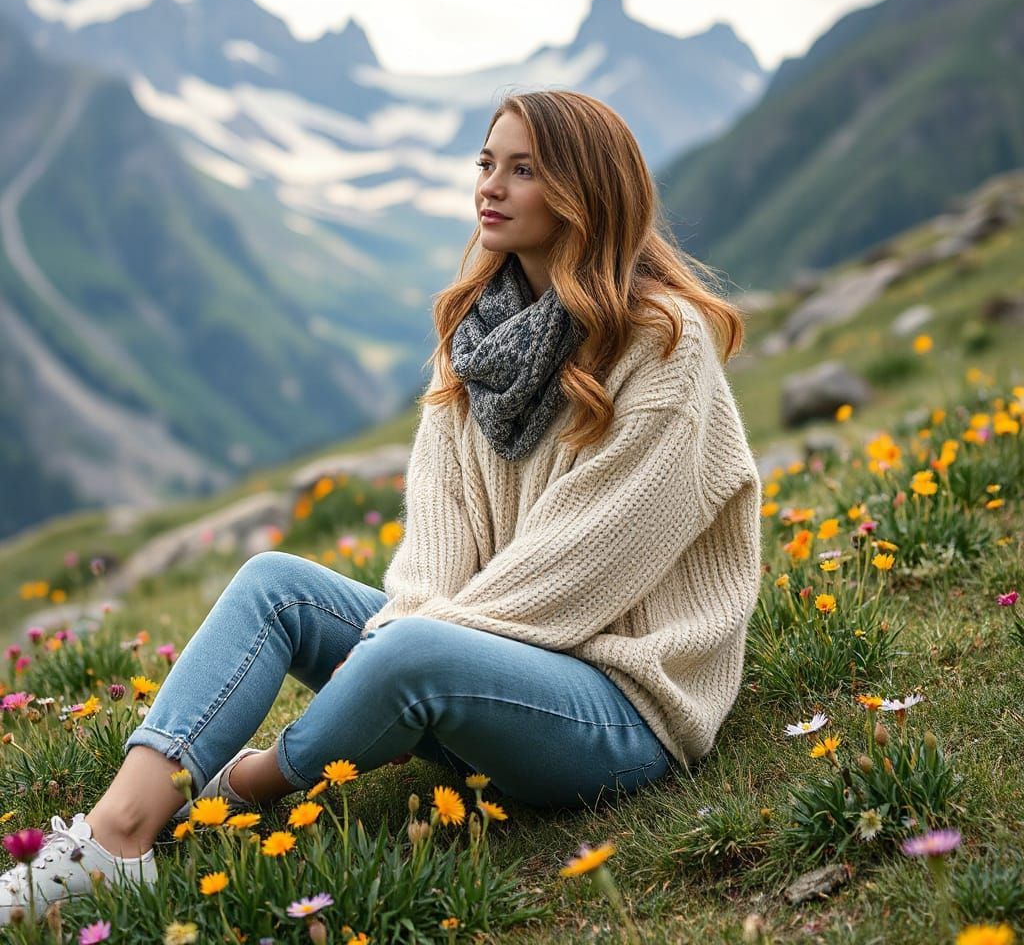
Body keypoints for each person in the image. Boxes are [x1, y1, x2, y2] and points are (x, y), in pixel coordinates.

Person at [0, 90, 762, 923]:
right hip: (488, 664)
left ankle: (242, 784)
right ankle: (112, 843)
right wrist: (408, 629)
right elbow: (435, 544)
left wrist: (408, 644)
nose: (491, 188)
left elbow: (590, 561)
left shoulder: (663, 342)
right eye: (486, 163)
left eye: (523, 171)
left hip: (624, 710)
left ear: (587, 191)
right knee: (275, 584)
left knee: (411, 649)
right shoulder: (472, 339)